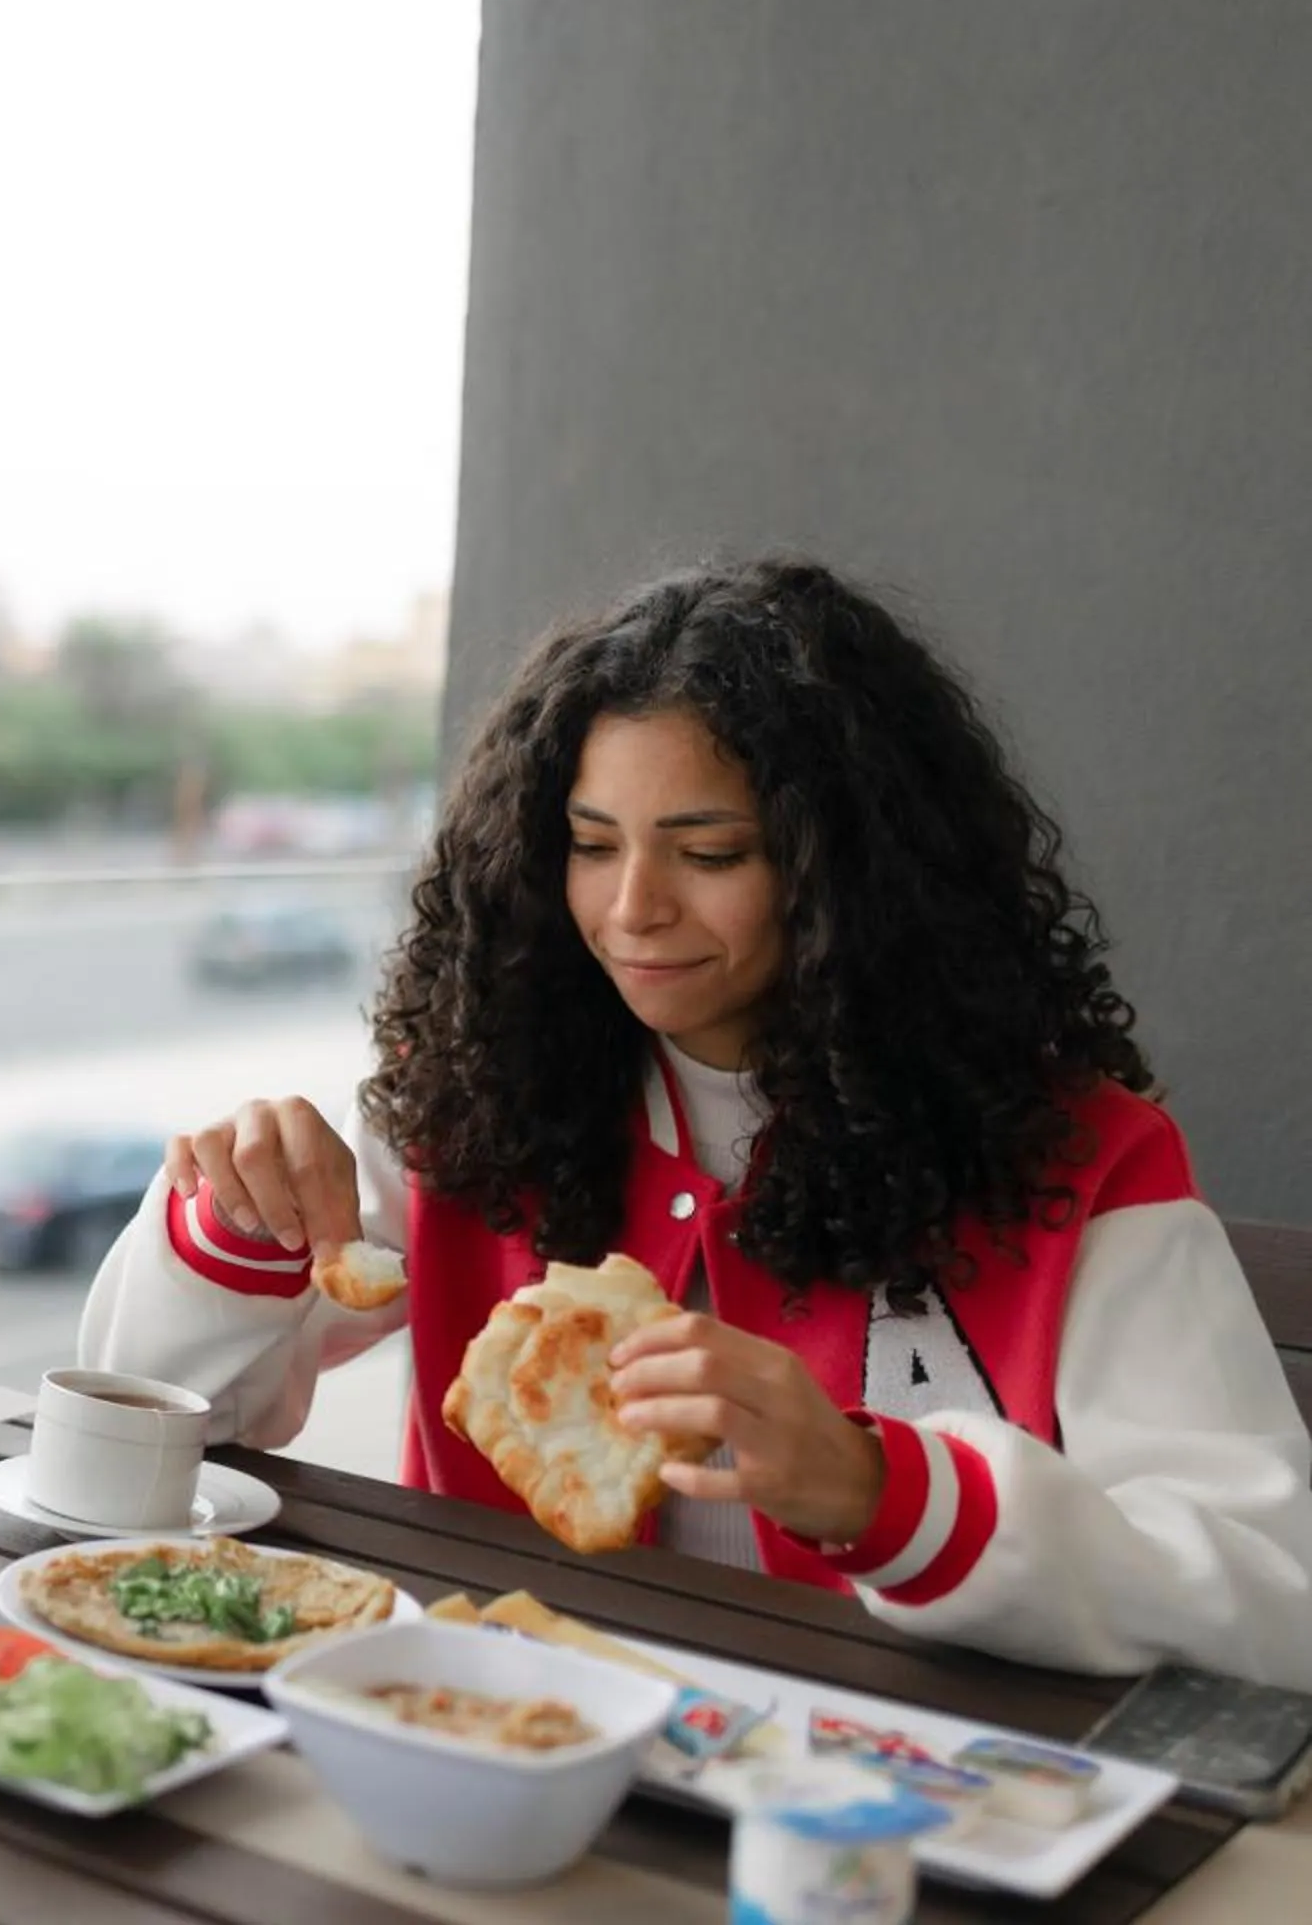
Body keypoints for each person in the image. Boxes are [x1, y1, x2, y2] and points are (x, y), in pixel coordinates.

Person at [80, 557, 1312, 1684]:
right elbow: (143, 1429)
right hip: (494, 1749)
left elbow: (1272, 1589)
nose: (630, 908)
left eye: (710, 850)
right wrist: (232, 1233)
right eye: (589, 843)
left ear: (851, 870)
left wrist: (886, 1490)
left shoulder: (1079, 1159)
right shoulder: (476, 1095)